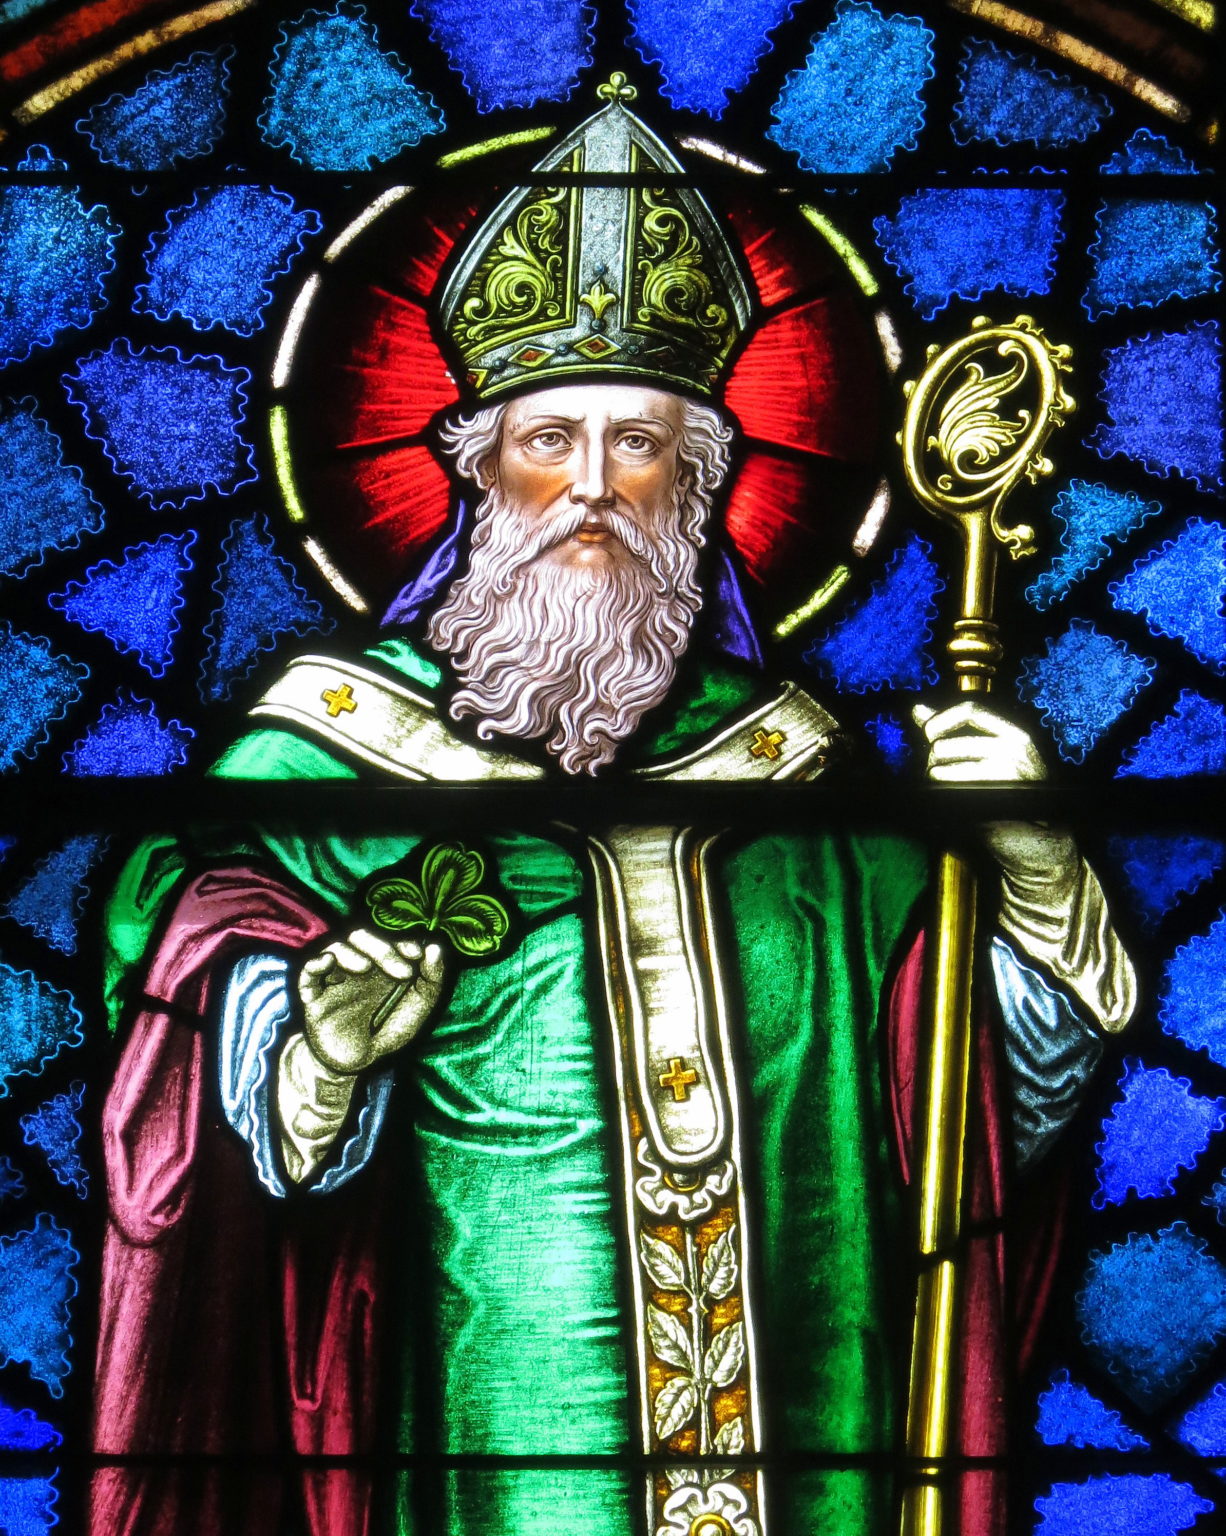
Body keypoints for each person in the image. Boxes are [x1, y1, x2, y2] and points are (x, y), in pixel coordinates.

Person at [91, 87, 1134, 1536]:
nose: (591, 489)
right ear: (476, 476)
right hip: (462, 1446)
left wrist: (1032, 870)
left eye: (639, 445)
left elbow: (967, 1105)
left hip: (811, 1443)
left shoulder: (806, 782)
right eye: (549, 442)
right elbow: (182, 1003)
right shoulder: (321, 761)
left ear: (698, 489)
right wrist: (311, 1052)